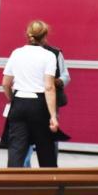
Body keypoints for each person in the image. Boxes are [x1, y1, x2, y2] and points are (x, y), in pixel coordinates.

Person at [2, 20, 60, 168]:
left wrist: (13, 98)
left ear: (28, 35)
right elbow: (49, 87)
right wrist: (53, 115)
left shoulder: (17, 53)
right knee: (45, 150)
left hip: (19, 101)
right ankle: (50, 185)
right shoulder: (49, 56)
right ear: (45, 36)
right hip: (39, 105)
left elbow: (6, 83)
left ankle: (13, 187)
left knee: (16, 149)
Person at [22, 29, 70, 167]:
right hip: (30, 100)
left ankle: (51, 168)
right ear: (44, 36)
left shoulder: (55, 53)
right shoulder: (23, 53)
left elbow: (65, 76)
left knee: (49, 137)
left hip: (48, 101)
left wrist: (56, 81)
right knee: (27, 137)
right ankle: (25, 168)